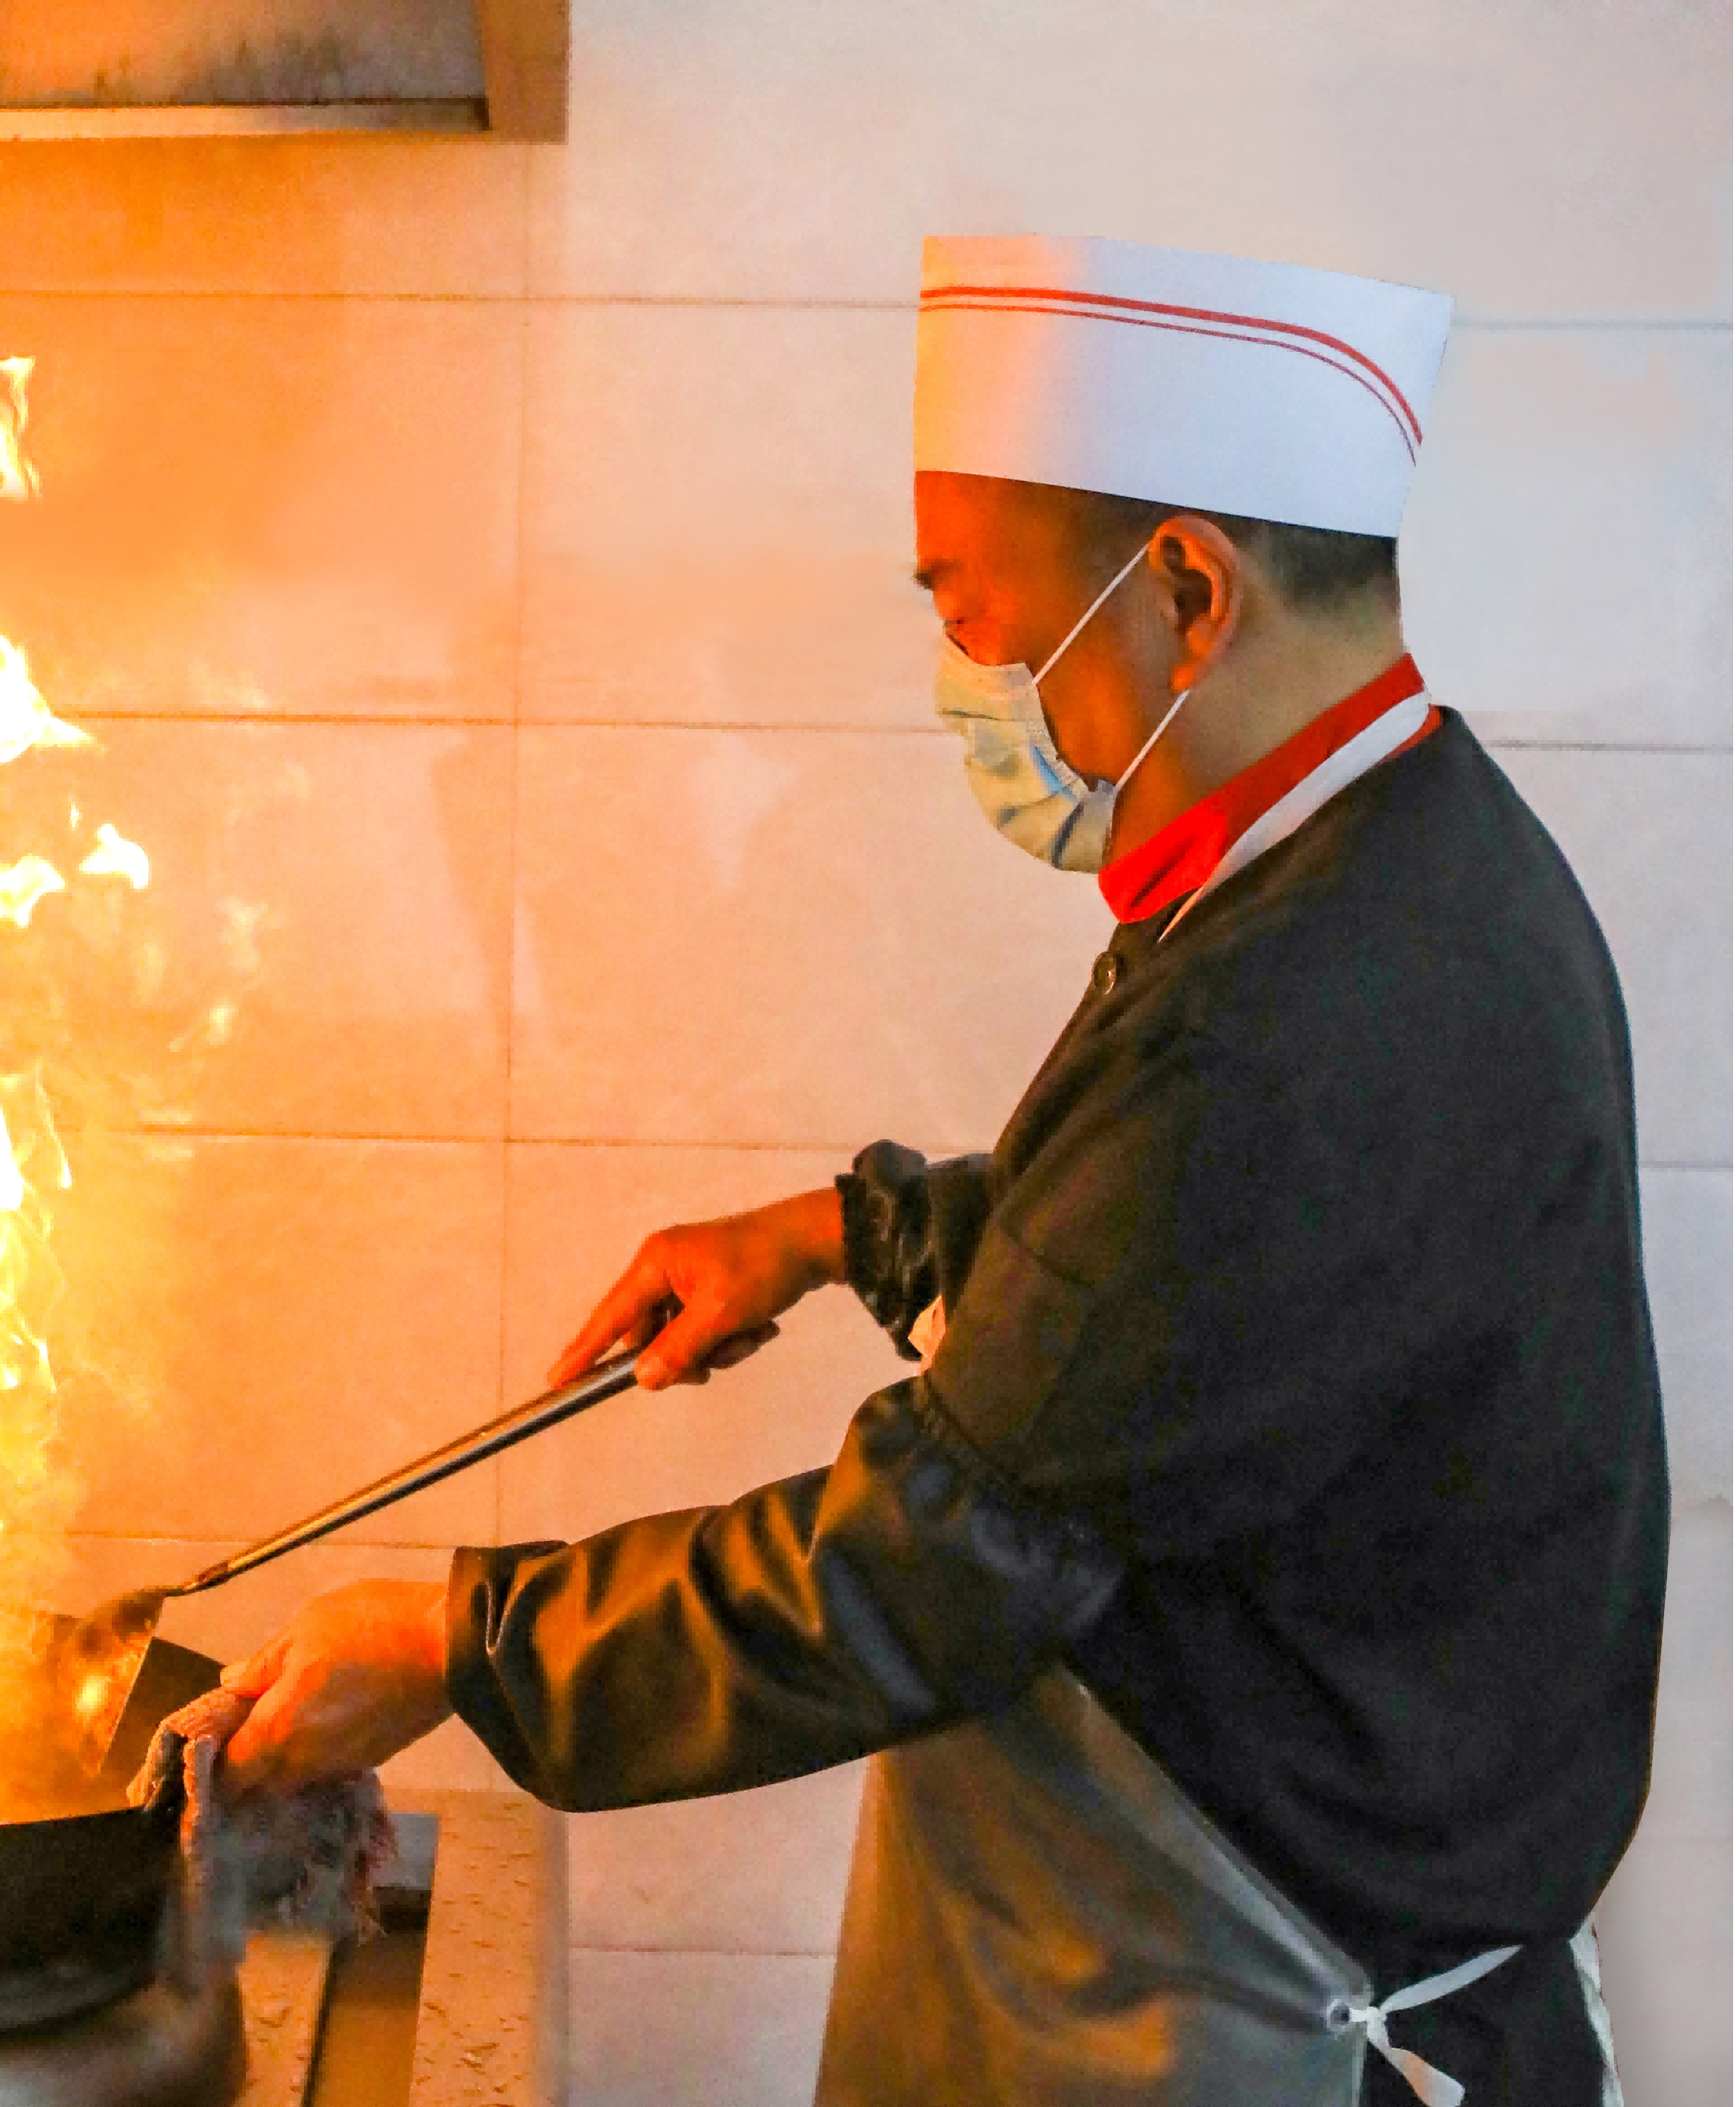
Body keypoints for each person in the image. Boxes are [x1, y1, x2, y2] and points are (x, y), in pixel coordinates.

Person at [213, 234, 1667, 2107]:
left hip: (1252, 2029)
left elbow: (914, 1568)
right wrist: (846, 1233)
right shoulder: (1406, 852)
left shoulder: (1294, 1015)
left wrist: (456, 1642)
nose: (973, 686)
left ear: (1189, 594)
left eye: (986, 621)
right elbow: (1161, 1299)